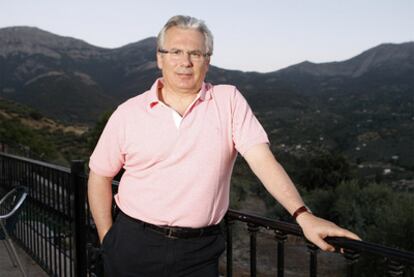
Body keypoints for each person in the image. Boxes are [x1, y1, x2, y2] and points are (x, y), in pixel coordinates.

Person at [88, 15, 360, 277]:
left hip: (199, 251)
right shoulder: (128, 113)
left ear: (207, 61)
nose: (185, 62)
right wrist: (107, 238)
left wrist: (303, 215)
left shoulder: (228, 101)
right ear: (160, 58)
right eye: (175, 52)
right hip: (132, 243)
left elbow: (262, 160)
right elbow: (100, 174)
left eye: (195, 53)